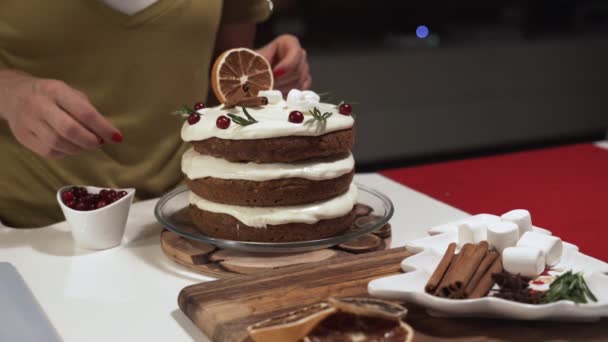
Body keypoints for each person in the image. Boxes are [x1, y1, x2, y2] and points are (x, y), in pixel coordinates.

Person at [0, 0, 311, 227]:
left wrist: (262, 73)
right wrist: (11, 92)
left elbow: (222, 77)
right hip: (28, 230)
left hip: (182, 216)